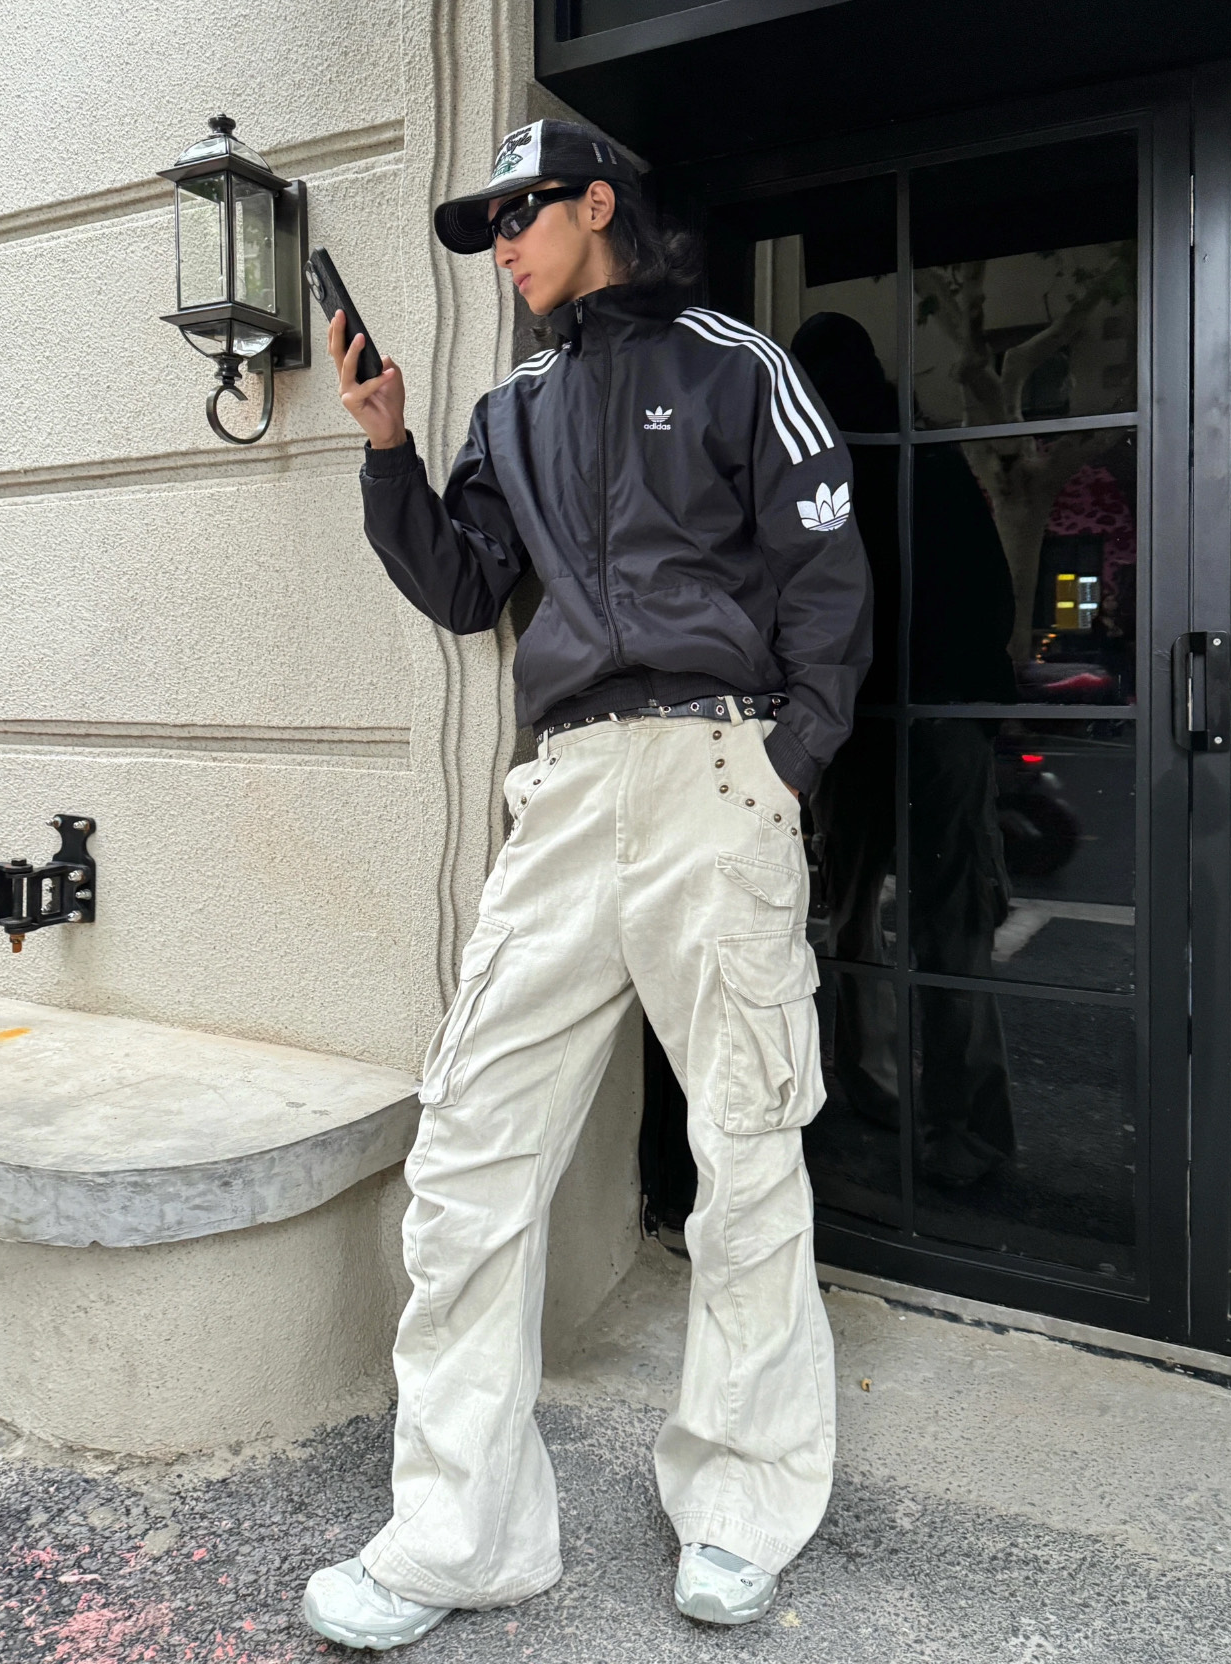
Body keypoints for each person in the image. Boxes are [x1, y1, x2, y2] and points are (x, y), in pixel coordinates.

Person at [302, 119, 872, 1651]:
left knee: (746, 1152)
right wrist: (386, 447)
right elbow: (467, 587)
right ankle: (462, 1531)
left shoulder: (737, 365)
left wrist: (788, 762)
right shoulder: (513, 411)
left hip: (715, 777)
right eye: (487, 227)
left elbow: (825, 575)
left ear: (596, 203)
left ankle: (742, 1509)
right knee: (468, 1151)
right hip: (566, 795)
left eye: (520, 214)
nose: (502, 245)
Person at [791, 313, 1015, 1189]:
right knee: (949, 927)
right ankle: (962, 1129)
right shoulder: (931, 458)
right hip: (942, 712)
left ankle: (873, 1082)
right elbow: (991, 595)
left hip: (854, 719)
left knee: (853, 917)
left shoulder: (815, 470)